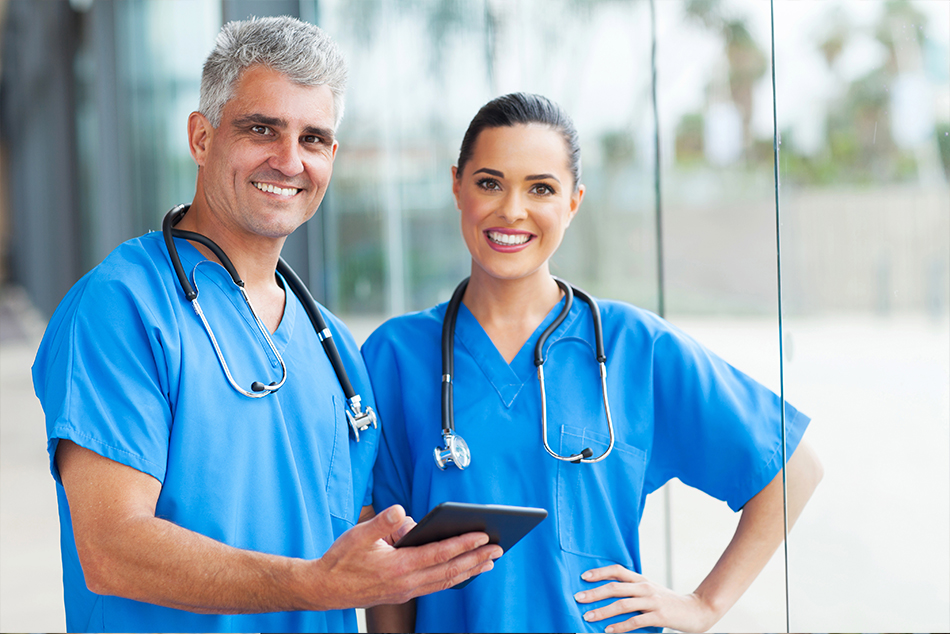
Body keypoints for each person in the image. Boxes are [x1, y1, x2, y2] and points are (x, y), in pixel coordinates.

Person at [31, 16, 500, 633]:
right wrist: (311, 585)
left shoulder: (334, 347)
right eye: (262, 129)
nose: (288, 161)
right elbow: (112, 549)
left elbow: (350, 544)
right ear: (201, 137)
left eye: (313, 139)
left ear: (330, 157)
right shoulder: (122, 307)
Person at [361, 92, 823, 633]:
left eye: (541, 188)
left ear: (573, 202)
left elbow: (793, 469)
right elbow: (387, 558)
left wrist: (703, 606)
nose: (512, 209)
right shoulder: (397, 355)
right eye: (489, 182)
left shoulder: (635, 347)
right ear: (456, 185)